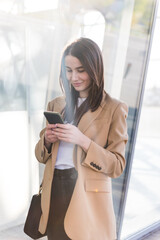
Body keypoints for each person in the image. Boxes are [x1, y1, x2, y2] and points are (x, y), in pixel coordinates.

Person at [35, 37, 128, 240]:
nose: (74, 77)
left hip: (86, 194)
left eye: (81, 70)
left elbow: (117, 165)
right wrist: (48, 141)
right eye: (69, 70)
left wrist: (83, 140)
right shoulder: (56, 104)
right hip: (55, 189)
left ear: (95, 69)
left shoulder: (114, 108)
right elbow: (41, 156)